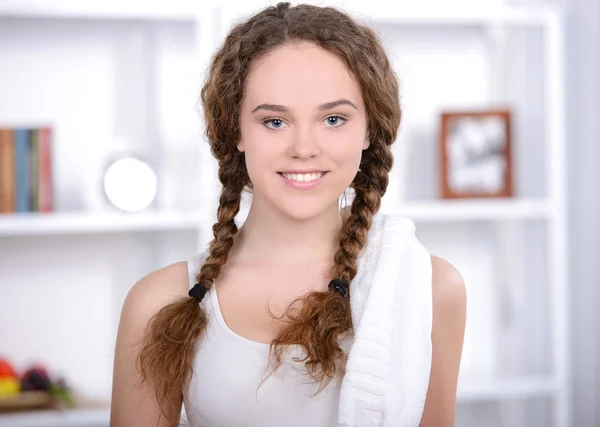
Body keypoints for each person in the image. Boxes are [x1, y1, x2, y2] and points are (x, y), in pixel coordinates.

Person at [110, 2, 466, 427]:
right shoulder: (157, 303)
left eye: (333, 119)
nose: (304, 148)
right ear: (236, 130)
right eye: (275, 122)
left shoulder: (430, 289)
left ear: (369, 129)